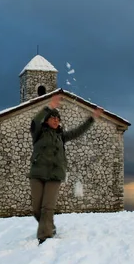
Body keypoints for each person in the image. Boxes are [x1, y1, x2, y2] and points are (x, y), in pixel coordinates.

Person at [28, 93, 103, 244]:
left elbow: (78, 131)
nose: (56, 121)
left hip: (55, 175)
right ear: (47, 120)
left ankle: (45, 237)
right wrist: (49, 107)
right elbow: (35, 121)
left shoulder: (61, 136)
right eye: (52, 118)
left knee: (47, 207)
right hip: (37, 174)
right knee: (37, 209)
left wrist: (92, 118)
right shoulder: (38, 133)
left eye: (58, 119)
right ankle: (50, 227)